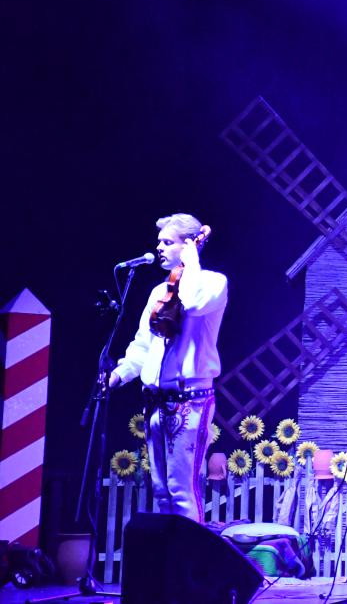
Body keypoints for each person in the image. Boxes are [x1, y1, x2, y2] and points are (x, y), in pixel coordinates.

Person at [108, 213, 228, 523]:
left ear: (188, 245)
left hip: (190, 401)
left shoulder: (213, 283)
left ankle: (188, 552)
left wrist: (191, 261)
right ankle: (168, 552)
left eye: (168, 242)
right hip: (155, 402)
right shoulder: (158, 293)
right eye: (159, 241)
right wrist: (119, 374)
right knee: (161, 490)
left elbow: (193, 302)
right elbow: (143, 345)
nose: (159, 247)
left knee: (182, 489)